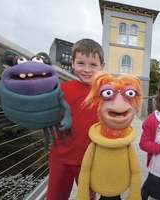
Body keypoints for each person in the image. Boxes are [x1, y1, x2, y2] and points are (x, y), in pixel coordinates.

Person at [46, 38, 105, 200]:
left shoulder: (106, 94)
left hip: (90, 160)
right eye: (81, 63)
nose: (87, 70)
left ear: (102, 66)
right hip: (60, 158)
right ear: (72, 62)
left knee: (88, 198)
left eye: (93, 65)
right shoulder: (62, 89)